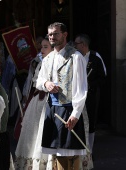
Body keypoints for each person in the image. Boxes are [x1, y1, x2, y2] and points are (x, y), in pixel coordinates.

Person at [36, 22, 88, 170]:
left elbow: (81, 88)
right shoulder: (48, 58)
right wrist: (46, 84)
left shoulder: (76, 57)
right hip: (53, 109)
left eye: (55, 33)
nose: (51, 37)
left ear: (64, 35)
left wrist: (75, 114)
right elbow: (39, 80)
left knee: (71, 154)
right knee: (57, 154)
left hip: (69, 109)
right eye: (50, 34)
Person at [14, 37, 54, 169]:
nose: (41, 49)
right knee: (33, 131)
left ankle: (45, 163)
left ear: (53, 48)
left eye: (45, 47)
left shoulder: (57, 61)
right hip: (37, 99)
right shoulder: (38, 61)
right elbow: (33, 80)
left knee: (45, 131)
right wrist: (26, 94)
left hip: (50, 101)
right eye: (41, 46)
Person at [74, 34, 106, 153]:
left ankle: (89, 151)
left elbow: (103, 77)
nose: (74, 46)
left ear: (83, 45)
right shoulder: (74, 57)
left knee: (91, 121)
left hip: (91, 95)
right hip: (76, 95)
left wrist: (90, 85)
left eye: (76, 43)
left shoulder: (95, 57)